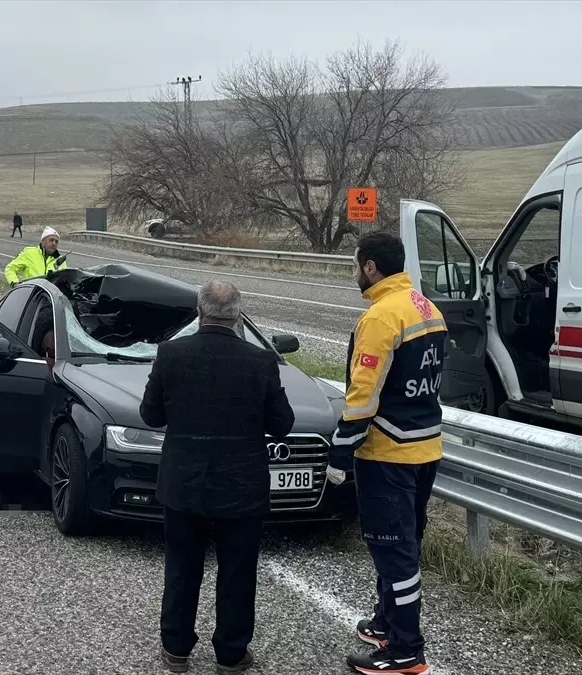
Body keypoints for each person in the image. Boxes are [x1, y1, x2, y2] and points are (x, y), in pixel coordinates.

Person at [139, 281, 295, 674]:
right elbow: (282, 425)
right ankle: (231, 652)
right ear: (238, 315)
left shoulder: (170, 354)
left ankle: (176, 649)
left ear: (200, 311)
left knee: (182, 566)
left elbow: (151, 415)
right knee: (238, 571)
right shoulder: (260, 361)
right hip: (242, 484)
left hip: (183, 481)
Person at [327, 231, 446, 675]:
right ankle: (384, 623)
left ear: (371, 267)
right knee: (405, 543)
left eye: (356, 265)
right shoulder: (425, 307)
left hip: (387, 453)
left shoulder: (381, 317)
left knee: (392, 550)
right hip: (426, 446)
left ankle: (404, 650)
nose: (355, 273)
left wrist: (340, 450)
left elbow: (363, 394)